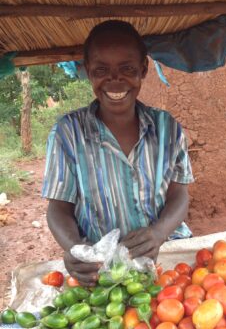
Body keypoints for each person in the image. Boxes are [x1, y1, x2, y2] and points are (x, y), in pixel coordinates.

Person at [42, 20, 194, 286]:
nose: (115, 79)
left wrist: (158, 233)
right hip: (101, 266)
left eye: (127, 68)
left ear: (143, 70)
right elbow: (58, 208)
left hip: (165, 258)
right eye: (102, 69)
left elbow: (179, 194)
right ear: (89, 72)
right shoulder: (68, 133)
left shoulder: (167, 128)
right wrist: (76, 249)